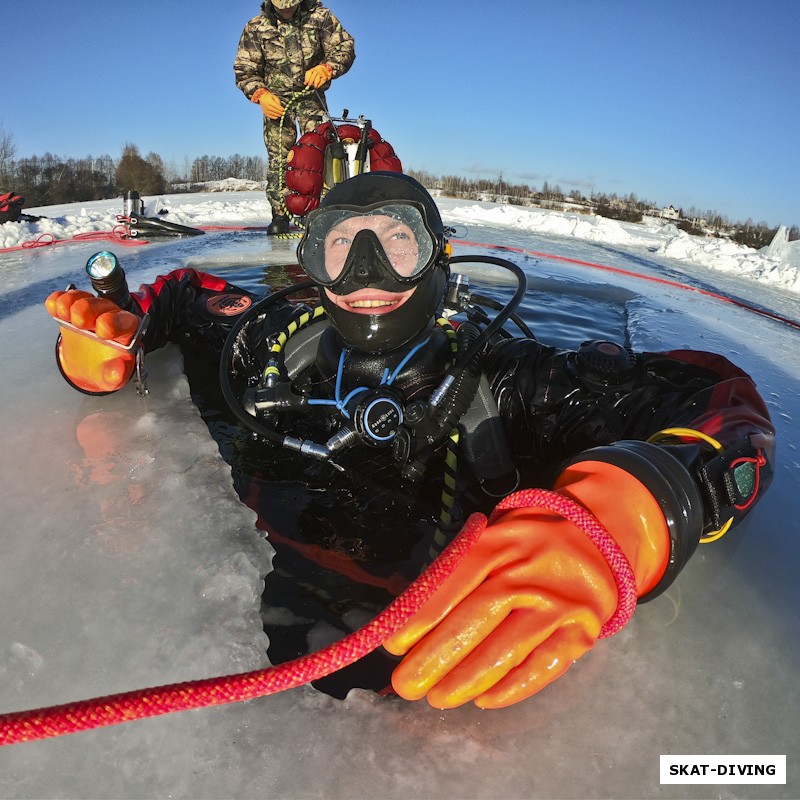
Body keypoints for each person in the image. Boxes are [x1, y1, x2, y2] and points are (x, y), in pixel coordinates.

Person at [45, 172, 775, 709]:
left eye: (397, 240)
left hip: (429, 670)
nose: (367, 272)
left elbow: (715, 397)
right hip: (241, 614)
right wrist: (118, 335)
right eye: (341, 246)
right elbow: (182, 294)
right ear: (312, 263)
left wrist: (647, 501)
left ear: (438, 256)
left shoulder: (506, 379)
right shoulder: (270, 337)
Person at [234, 0, 356, 235]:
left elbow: (345, 47)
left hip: (311, 99)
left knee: (317, 157)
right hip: (276, 104)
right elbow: (244, 68)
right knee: (280, 159)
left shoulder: (320, 17)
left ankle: (318, 212)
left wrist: (327, 68)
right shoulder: (256, 26)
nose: (286, 8)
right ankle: (280, 214)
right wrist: (260, 94)